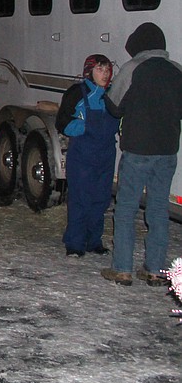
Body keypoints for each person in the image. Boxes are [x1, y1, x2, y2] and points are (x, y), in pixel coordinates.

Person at [101, 22, 182, 287]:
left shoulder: (133, 69)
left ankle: (123, 269)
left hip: (137, 150)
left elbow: (114, 106)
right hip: (167, 152)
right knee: (159, 209)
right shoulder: (177, 71)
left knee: (126, 209)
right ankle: (156, 269)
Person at [55, 54, 120, 257]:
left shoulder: (112, 95)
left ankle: (93, 240)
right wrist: (82, 127)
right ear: (89, 72)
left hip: (106, 155)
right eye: (100, 69)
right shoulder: (77, 92)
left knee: (100, 199)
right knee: (80, 199)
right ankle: (75, 242)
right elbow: (62, 122)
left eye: (107, 70)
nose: (104, 74)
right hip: (83, 155)